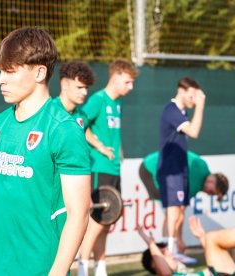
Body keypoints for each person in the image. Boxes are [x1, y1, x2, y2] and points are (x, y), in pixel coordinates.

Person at [0, 27, 91, 276]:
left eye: (9, 71)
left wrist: (57, 272)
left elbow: (78, 213)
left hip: (39, 270)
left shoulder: (63, 130)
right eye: (0, 71)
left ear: (39, 72)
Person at [0, 61, 96, 170]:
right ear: (64, 84)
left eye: (86, 88)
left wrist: (102, 147)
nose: (84, 92)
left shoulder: (79, 115)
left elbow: (85, 130)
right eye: (80, 87)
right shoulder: (47, 114)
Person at [78, 58, 139, 276]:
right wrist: (101, 147)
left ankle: (100, 267)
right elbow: (79, 125)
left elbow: (114, 133)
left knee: (107, 221)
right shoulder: (98, 100)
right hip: (99, 168)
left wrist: (119, 149)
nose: (130, 87)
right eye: (128, 82)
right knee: (96, 221)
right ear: (116, 77)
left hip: (114, 169)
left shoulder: (118, 104)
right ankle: (83, 267)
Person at [157, 77, 206, 258]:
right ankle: (170, 251)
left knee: (180, 211)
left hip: (180, 169)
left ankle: (172, 249)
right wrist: (200, 106)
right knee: (173, 210)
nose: (194, 100)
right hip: (171, 171)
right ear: (181, 91)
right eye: (192, 96)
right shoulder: (171, 110)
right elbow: (194, 132)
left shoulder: (182, 112)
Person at [139, 217, 235, 275]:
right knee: (211, 238)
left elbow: (213, 268)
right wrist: (151, 243)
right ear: (154, 263)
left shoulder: (183, 273)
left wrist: (202, 239)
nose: (170, 253)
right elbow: (165, 273)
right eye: (164, 253)